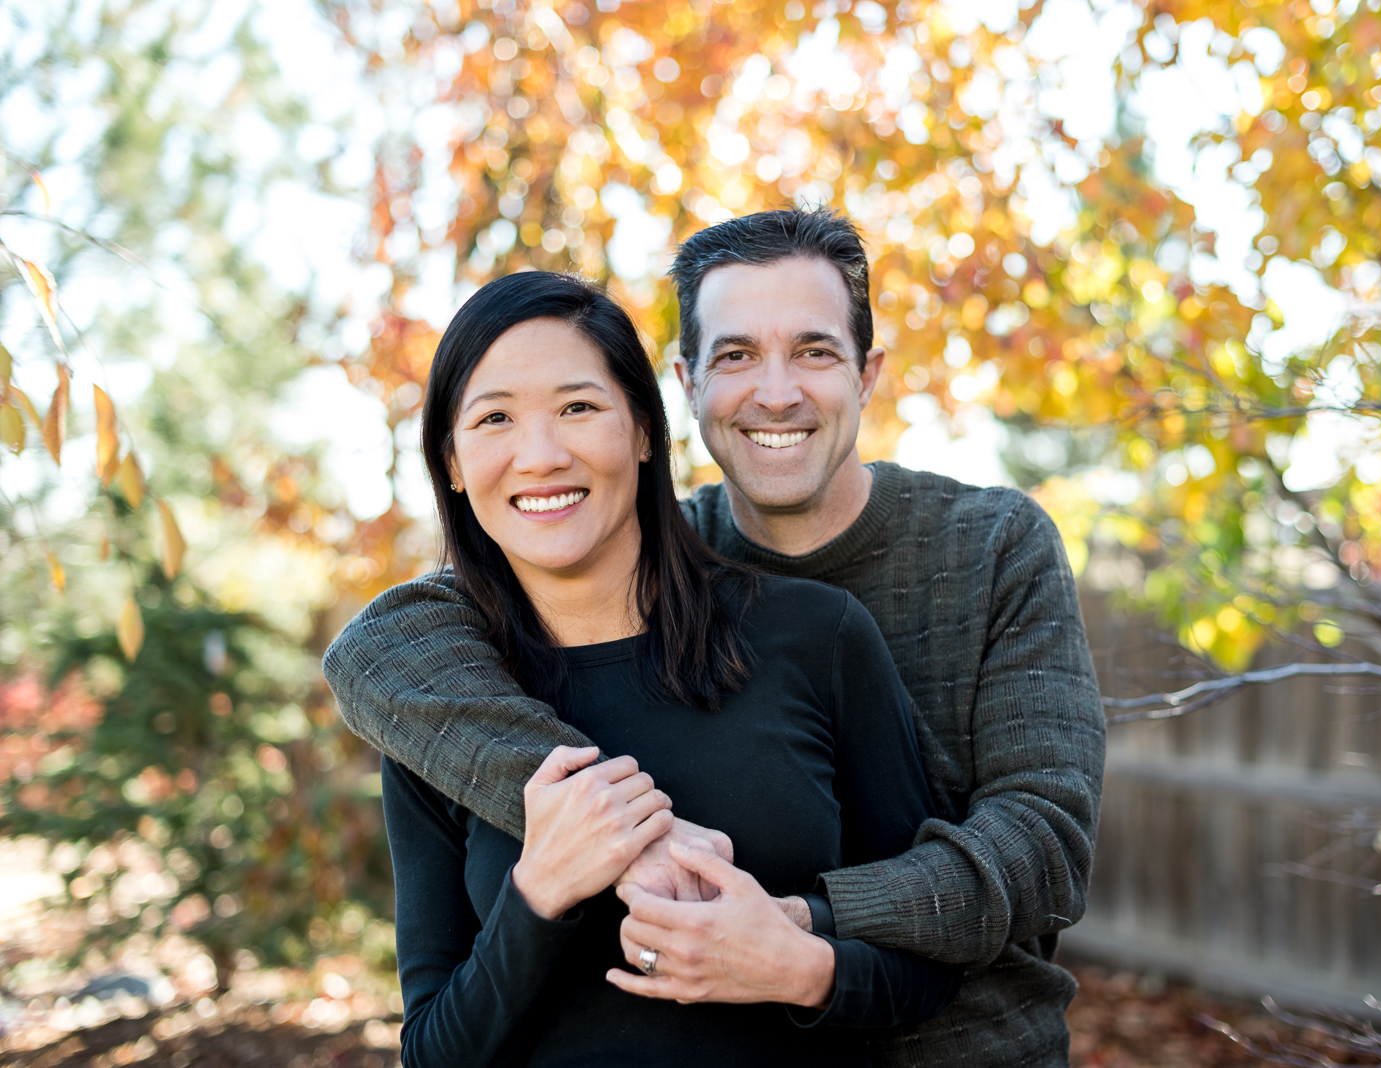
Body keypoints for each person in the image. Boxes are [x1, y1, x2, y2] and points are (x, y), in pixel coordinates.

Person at [325, 207, 1105, 1067]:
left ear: (868, 372)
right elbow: (379, 646)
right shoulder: (578, 594)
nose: (776, 392)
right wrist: (615, 843)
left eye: (814, 351)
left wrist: (793, 930)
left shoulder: (975, 555)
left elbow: (1043, 844)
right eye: (736, 356)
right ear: (687, 385)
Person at [378, 270, 961, 1067]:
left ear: (645, 431)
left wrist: (798, 968)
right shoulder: (446, 701)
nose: (540, 455)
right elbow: (433, 1053)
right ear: (450, 460)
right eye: (494, 419)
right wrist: (537, 893)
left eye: (578, 407)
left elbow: (927, 967)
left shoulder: (813, 639)